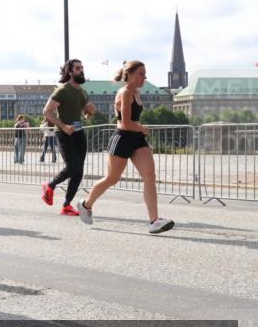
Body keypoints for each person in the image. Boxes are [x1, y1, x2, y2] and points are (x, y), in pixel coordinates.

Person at [78, 61, 174, 234]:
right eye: (141, 74)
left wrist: (140, 131)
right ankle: (86, 205)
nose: (144, 77)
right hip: (122, 138)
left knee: (150, 175)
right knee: (112, 178)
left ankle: (154, 221)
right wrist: (143, 128)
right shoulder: (125, 92)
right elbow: (126, 122)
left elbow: (133, 122)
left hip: (137, 139)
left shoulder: (136, 92)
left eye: (145, 74)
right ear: (129, 74)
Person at [41, 59, 96, 216]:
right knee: (73, 166)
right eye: (78, 68)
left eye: (82, 67)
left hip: (78, 133)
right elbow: (47, 111)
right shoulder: (63, 90)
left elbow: (86, 116)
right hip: (64, 133)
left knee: (79, 171)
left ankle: (66, 205)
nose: (82, 70)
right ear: (70, 72)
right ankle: (50, 185)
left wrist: (91, 112)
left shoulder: (82, 92)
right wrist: (64, 126)